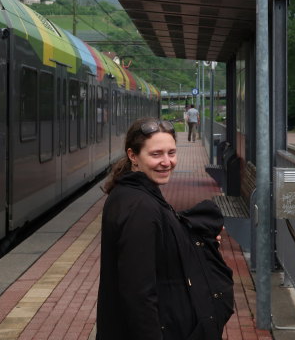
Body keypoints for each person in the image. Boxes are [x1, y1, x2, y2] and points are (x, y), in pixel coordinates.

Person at [97, 117, 232, 340]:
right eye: (156, 154)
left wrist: (193, 244)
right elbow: (139, 294)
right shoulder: (140, 207)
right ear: (133, 156)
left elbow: (155, 249)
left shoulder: (133, 193)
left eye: (171, 152)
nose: (167, 162)